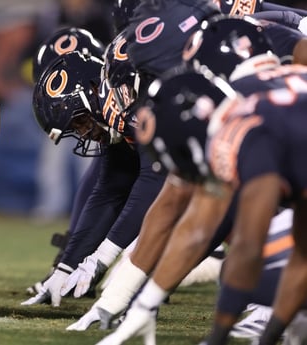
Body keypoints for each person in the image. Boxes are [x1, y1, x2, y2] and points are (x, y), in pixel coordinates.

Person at [67, 0, 307, 332]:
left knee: (261, 252)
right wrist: (124, 300)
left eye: (147, 76)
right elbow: (174, 202)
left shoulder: (259, 48)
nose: (146, 93)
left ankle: (277, 306)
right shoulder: (216, 83)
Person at [21, 46, 165, 308]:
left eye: (79, 123)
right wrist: (65, 267)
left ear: (92, 90)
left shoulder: (139, 93)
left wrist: (102, 257)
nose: (83, 134)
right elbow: (110, 192)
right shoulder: (116, 109)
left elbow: (154, 181)